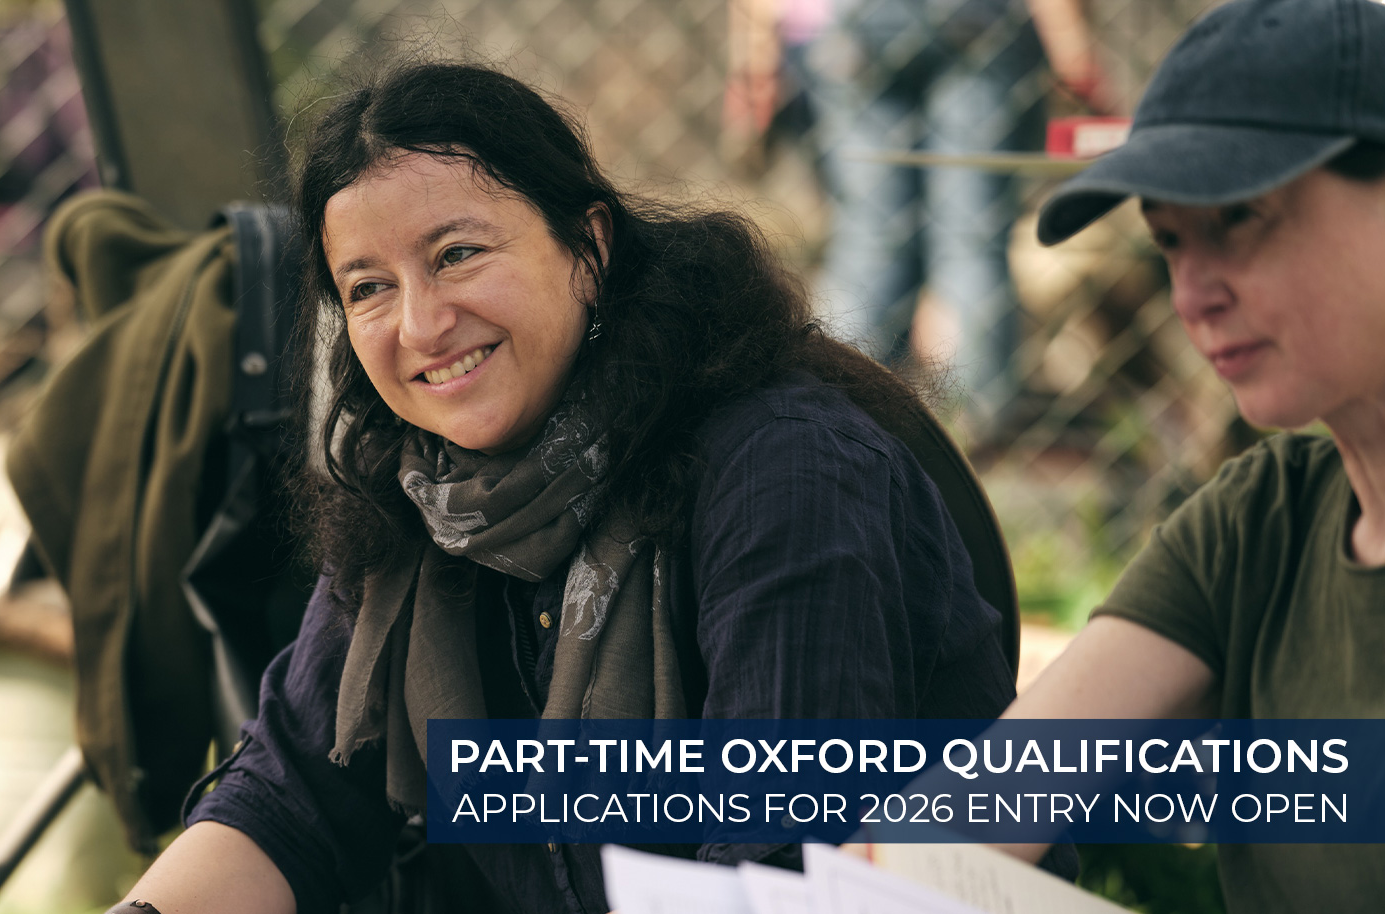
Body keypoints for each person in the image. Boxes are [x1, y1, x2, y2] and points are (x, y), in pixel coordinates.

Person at [114, 62, 1020, 913]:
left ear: (589, 247)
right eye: (369, 288)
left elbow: (778, 864)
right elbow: (287, 800)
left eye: (458, 254)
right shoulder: (421, 492)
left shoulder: (783, 470)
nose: (421, 325)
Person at [996, 0, 1385, 908]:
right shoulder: (1261, 526)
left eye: (1240, 218)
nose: (1190, 295)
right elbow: (968, 816)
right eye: (1169, 241)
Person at [773, 0, 1105, 419]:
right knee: (972, 242)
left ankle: (837, 416)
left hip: (854, 19)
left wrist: (755, 55)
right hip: (975, 17)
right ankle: (976, 425)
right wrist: (1072, 47)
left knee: (870, 242)